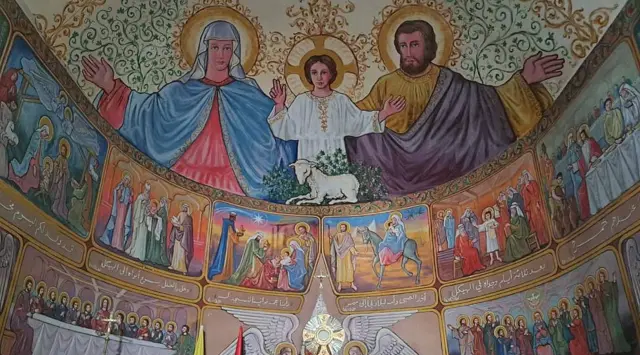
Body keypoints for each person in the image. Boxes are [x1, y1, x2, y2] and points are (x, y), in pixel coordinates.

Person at [82, 21, 296, 198]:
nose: (221, 54)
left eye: (227, 48)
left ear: (234, 52)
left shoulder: (248, 93)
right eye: (215, 47)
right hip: (183, 180)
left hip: (236, 186)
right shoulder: (180, 92)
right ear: (205, 49)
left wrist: (280, 109)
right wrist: (110, 86)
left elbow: (276, 134)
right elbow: (149, 114)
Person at [344, 20, 560, 195]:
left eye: (414, 45)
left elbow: (488, 101)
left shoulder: (448, 81)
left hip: (443, 161)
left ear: (428, 46)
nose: (408, 52)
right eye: (403, 46)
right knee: (364, 139)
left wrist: (523, 79)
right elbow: (357, 116)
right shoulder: (386, 83)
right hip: (395, 166)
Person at [268, 54, 404, 161]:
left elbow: (360, 121)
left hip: (335, 152)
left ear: (331, 74)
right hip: (308, 154)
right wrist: (280, 104)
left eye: (324, 72)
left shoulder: (341, 100)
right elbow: (286, 127)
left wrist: (385, 112)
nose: (319, 77)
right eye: (314, 72)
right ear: (309, 75)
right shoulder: (301, 101)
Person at [8, 122, 51, 194]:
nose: (45, 136)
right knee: (26, 170)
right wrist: (33, 159)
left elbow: (42, 152)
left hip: (37, 159)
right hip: (31, 156)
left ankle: (28, 188)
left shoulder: (42, 140)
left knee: (34, 175)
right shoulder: (36, 135)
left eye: (46, 135)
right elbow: (32, 147)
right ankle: (22, 184)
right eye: (45, 134)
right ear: (43, 130)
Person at [597, 270, 631, 355]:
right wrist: (600, 293)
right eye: (600, 276)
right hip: (607, 311)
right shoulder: (600, 287)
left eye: (602, 276)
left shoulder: (609, 284)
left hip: (612, 308)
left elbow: (614, 290)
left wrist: (615, 280)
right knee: (612, 331)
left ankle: (623, 346)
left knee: (617, 327)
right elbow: (599, 300)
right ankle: (617, 349)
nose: (601, 278)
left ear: (604, 276)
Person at [100, 172, 134, 251]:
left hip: (124, 210)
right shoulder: (120, 187)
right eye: (126, 180)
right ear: (124, 180)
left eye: (128, 181)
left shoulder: (129, 190)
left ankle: (119, 244)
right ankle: (114, 242)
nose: (127, 182)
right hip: (119, 208)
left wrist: (131, 197)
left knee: (121, 226)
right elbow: (117, 196)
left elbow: (130, 201)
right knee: (116, 225)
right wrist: (119, 191)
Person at [208, 212, 244, 280]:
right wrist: (238, 234)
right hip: (227, 243)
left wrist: (237, 234)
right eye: (234, 217)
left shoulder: (229, 222)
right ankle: (223, 271)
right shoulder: (228, 222)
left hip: (228, 243)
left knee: (227, 256)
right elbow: (231, 233)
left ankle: (227, 272)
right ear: (232, 217)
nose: (234, 219)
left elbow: (233, 233)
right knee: (225, 256)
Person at [68, 157, 99, 234]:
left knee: (73, 214)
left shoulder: (88, 183)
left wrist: (75, 189)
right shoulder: (87, 183)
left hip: (82, 202)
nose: (85, 177)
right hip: (82, 200)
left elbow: (80, 194)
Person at [519, 170, 549, 246]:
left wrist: (538, 202)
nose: (525, 177)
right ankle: (542, 241)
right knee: (536, 224)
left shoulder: (533, 183)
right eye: (523, 176)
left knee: (542, 220)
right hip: (531, 208)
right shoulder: (523, 189)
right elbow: (525, 200)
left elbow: (537, 192)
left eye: (526, 175)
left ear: (527, 176)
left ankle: (547, 238)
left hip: (537, 204)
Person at [9, 278, 36, 355]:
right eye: (29, 285)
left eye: (31, 285)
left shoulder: (30, 296)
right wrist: (25, 313)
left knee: (31, 331)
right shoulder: (22, 294)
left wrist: (33, 308)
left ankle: (26, 353)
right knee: (24, 332)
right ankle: (16, 354)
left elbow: (31, 308)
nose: (30, 286)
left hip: (23, 321)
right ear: (26, 285)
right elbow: (18, 309)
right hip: (17, 320)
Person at [126, 181, 151, 261]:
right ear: (144, 190)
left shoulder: (148, 199)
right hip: (139, 218)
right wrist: (141, 204)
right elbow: (137, 205)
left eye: (148, 191)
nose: (147, 192)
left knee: (142, 236)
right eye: (146, 190)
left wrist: (147, 210)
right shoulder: (140, 196)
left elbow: (148, 209)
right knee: (136, 235)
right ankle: (134, 251)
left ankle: (140, 254)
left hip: (144, 221)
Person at [330, 222, 358, 292]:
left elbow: (351, 245)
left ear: (346, 228)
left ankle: (351, 284)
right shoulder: (337, 235)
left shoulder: (348, 235)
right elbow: (334, 243)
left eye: (344, 227)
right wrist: (332, 239)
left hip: (347, 253)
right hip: (339, 254)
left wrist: (354, 251)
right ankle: (340, 284)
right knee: (340, 269)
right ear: (340, 228)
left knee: (349, 268)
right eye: (341, 227)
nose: (343, 228)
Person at [168, 203, 194, 275]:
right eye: (183, 207)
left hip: (184, 238)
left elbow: (189, 228)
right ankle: (174, 265)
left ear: (188, 209)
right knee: (176, 251)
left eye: (186, 207)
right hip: (177, 235)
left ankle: (182, 268)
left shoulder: (189, 218)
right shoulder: (180, 213)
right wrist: (175, 223)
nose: (184, 208)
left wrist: (182, 227)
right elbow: (177, 221)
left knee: (182, 253)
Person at [145, 197, 170, 267]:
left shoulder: (163, 210)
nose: (161, 202)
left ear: (164, 203)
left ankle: (155, 258)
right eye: (161, 201)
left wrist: (157, 217)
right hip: (155, 227)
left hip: (159, 230)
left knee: (156, 244)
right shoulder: (160, 209)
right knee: (152, 242)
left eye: (162, 201)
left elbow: (163, 220)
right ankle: (150, 256)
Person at [50, 140, 71, 220]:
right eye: (61, 149)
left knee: (61, 194)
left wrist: (65, 171)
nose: (62, 151)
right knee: (57, 193)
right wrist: (58, 168)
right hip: (58, 178)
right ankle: (54, 206)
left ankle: (59, 208)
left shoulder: (65, 161)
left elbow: (67, 172)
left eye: (64, 150)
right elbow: (55, 165)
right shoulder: (59, 157)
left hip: (63, 180)